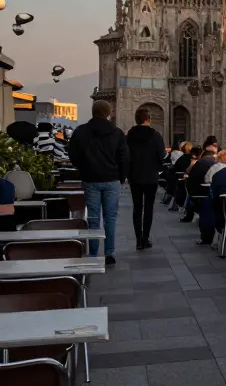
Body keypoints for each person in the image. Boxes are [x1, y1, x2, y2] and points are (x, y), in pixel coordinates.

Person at [68, 100, 129, 265]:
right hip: (112, 180)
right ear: (108, 113)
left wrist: (83, 167)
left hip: (91, 179)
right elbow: (124, 158)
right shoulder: (117, 133)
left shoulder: (81, 131)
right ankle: (109, 253)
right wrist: (120, 176)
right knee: (110, 217)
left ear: (93, 111)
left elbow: (72, 153)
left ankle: (94, 253)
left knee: (94, 218)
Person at [125, 106, 167, 250]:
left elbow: (125, 155)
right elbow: (162, 156)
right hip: (151, 176)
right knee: (148, 208)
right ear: (148, 119)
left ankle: (138, 240)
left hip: (134, 176)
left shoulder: (129, 136)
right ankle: (145, 238)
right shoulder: (156, 136)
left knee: (137, 208)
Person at [184, 146, 218, 228]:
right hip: (209, 192)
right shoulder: (216, 163)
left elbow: (191, 176)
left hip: (197, 191)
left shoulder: (199, 162)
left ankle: (190, 214)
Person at [166, 141, 193, 210]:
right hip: (182, 177)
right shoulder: (190, 158)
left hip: (177, 177)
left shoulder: (183, 157)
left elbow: (176, 166)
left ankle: (174, 204)